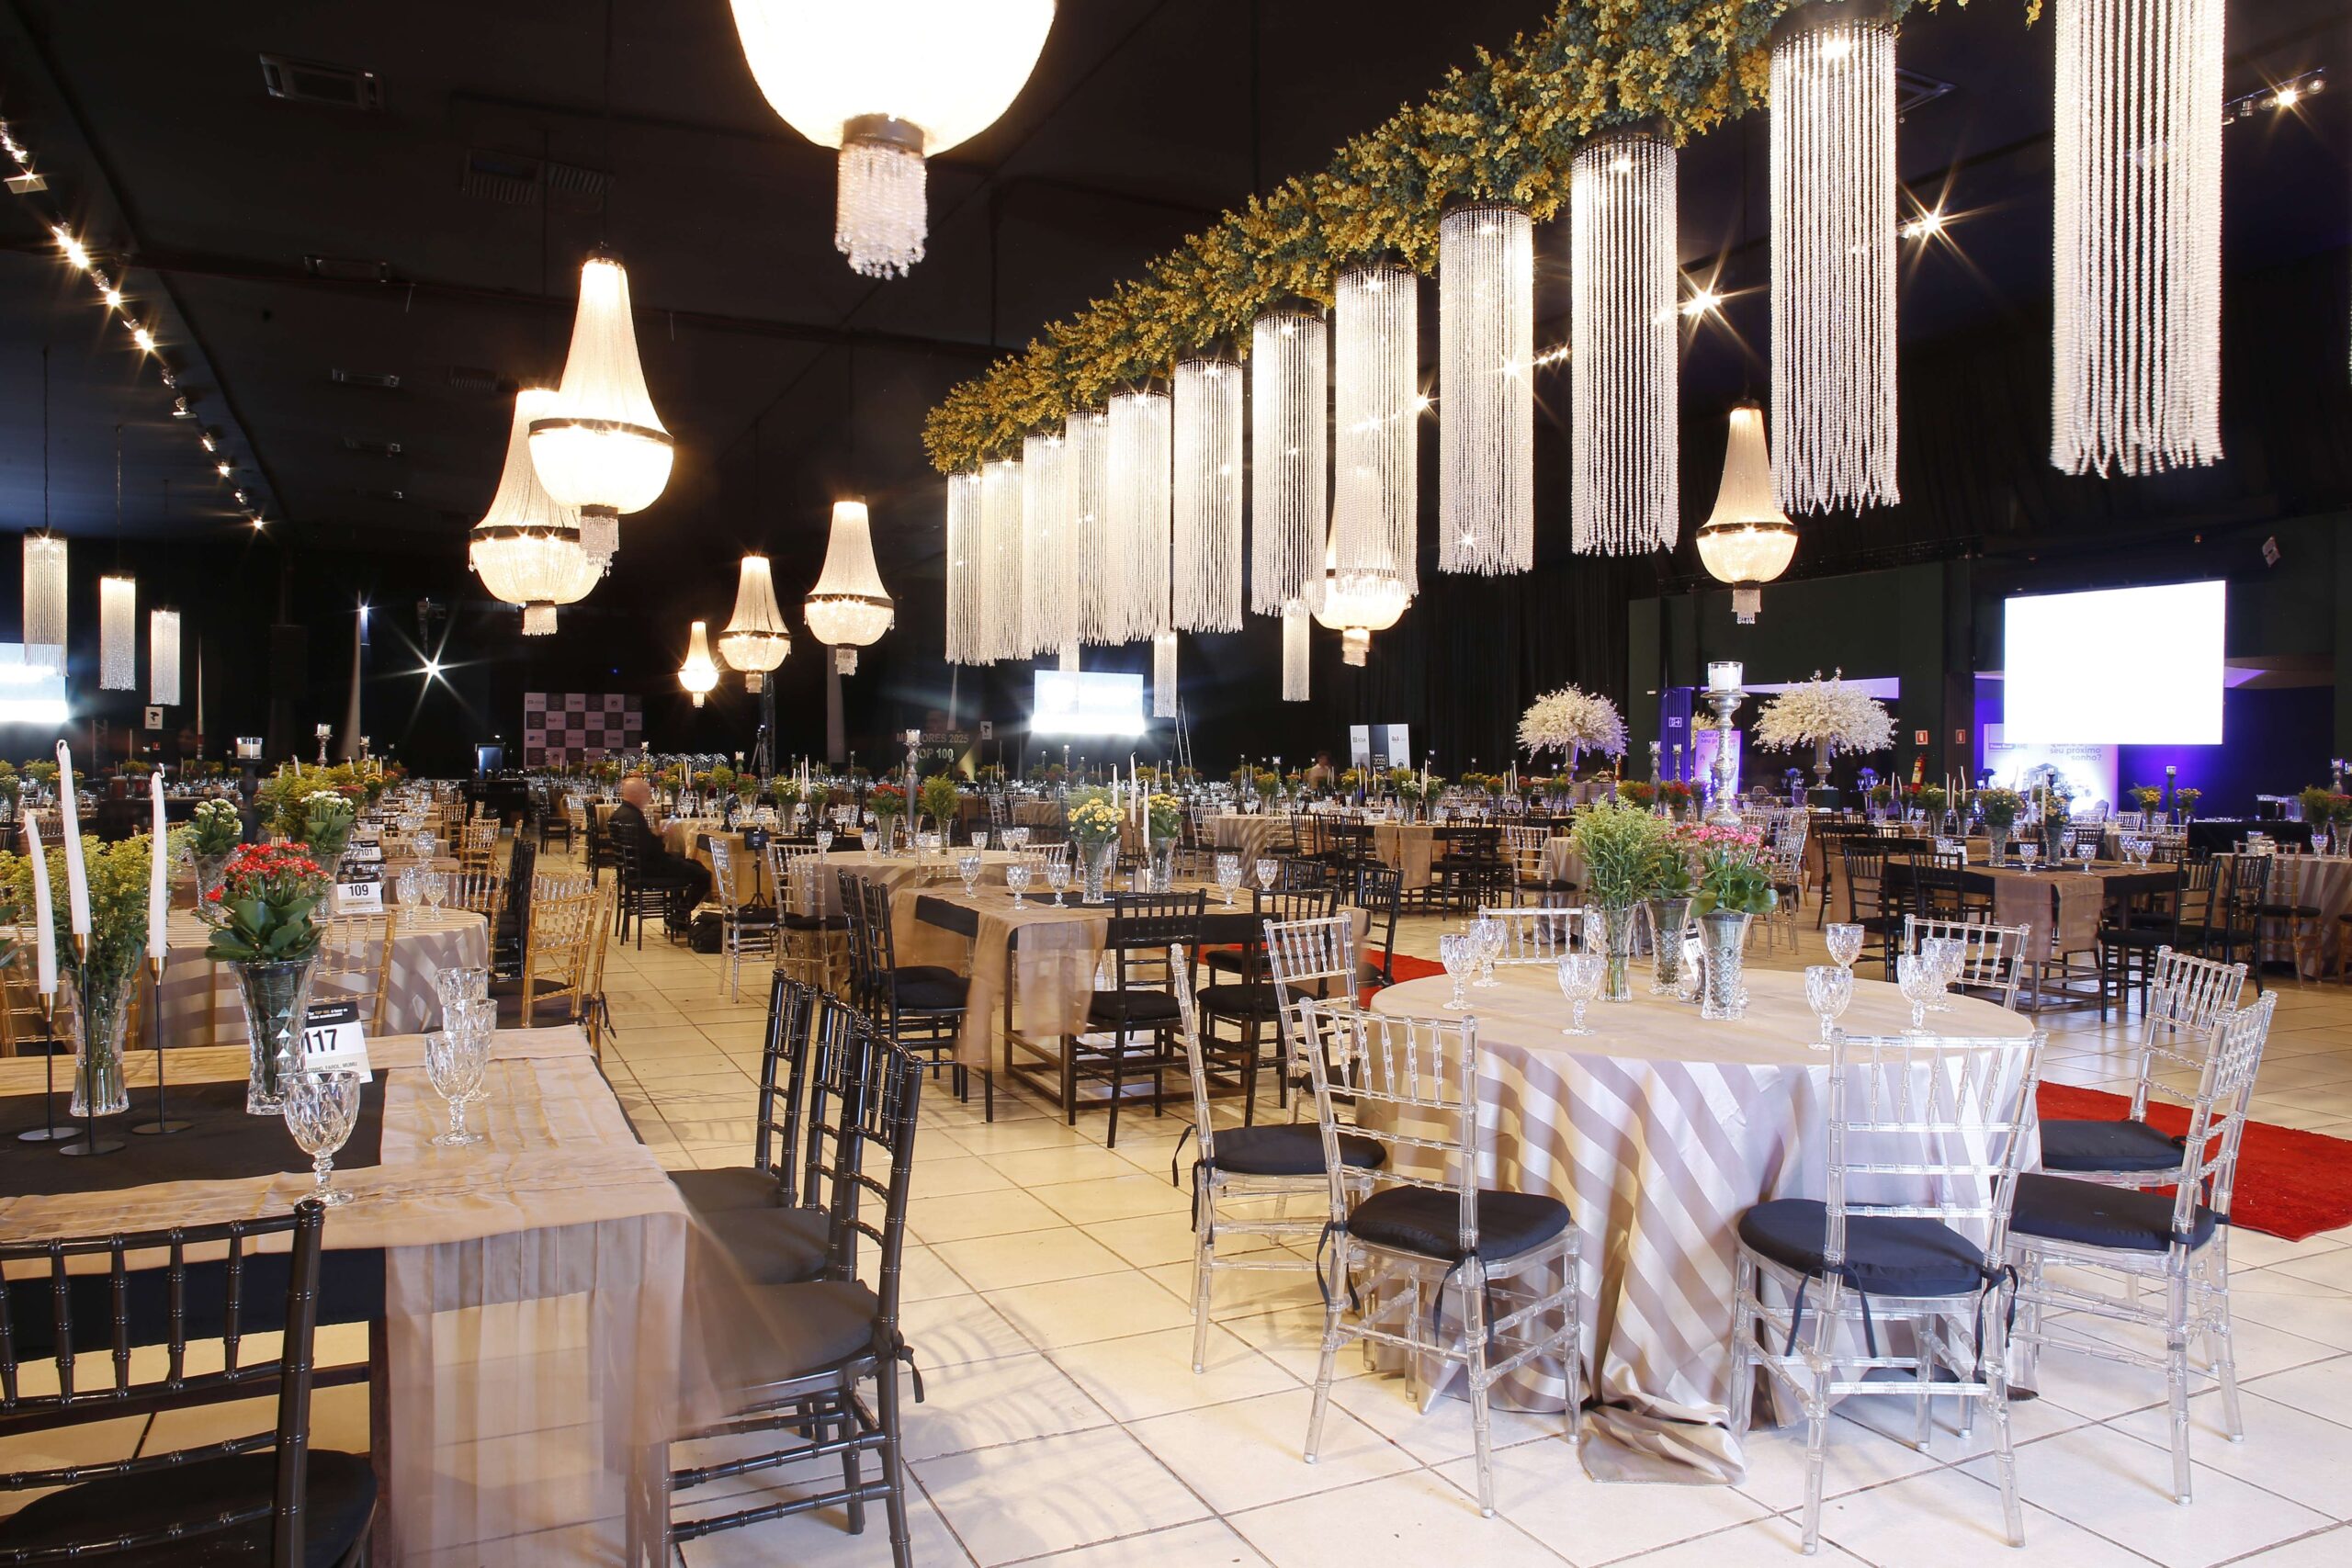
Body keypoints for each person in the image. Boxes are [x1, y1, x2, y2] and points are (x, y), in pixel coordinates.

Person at [608, 773, 712, 931]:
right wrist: (661, 836)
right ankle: (677, 917)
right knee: (703, 875)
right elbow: (651, 851)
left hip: (635, 869)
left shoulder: (622, 814)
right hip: (648, 870)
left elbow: (643, 847)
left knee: (693, 864)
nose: (648, 796)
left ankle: (678, 916)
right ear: (636, 794)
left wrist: (658, 837)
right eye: (646, 792)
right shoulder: (633, 817)